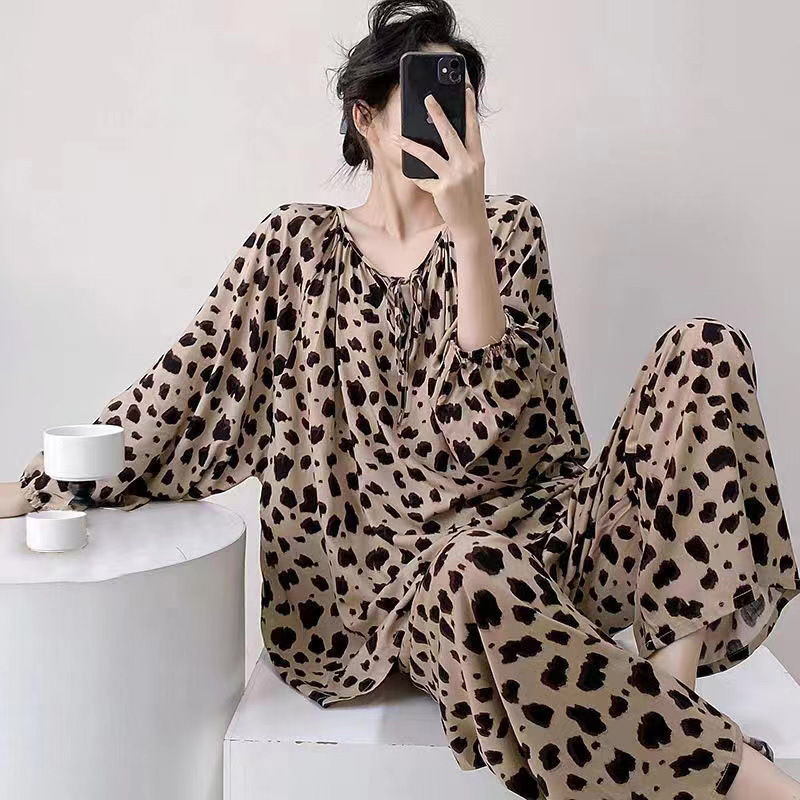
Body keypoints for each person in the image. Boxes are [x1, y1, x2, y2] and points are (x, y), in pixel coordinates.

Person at [4, 1, 800, 797]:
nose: (448, 122)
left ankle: (669, 707)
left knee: (706, 347)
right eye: (425, 99)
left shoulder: (508, 230)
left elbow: (492, 438)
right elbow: (184, 389)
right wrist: (42, 482)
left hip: (548, 549)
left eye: (461, 104)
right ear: (366, 117)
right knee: (472, 563)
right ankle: (729, 773)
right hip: (398, 598)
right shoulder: (296, 248)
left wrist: (470, 235)